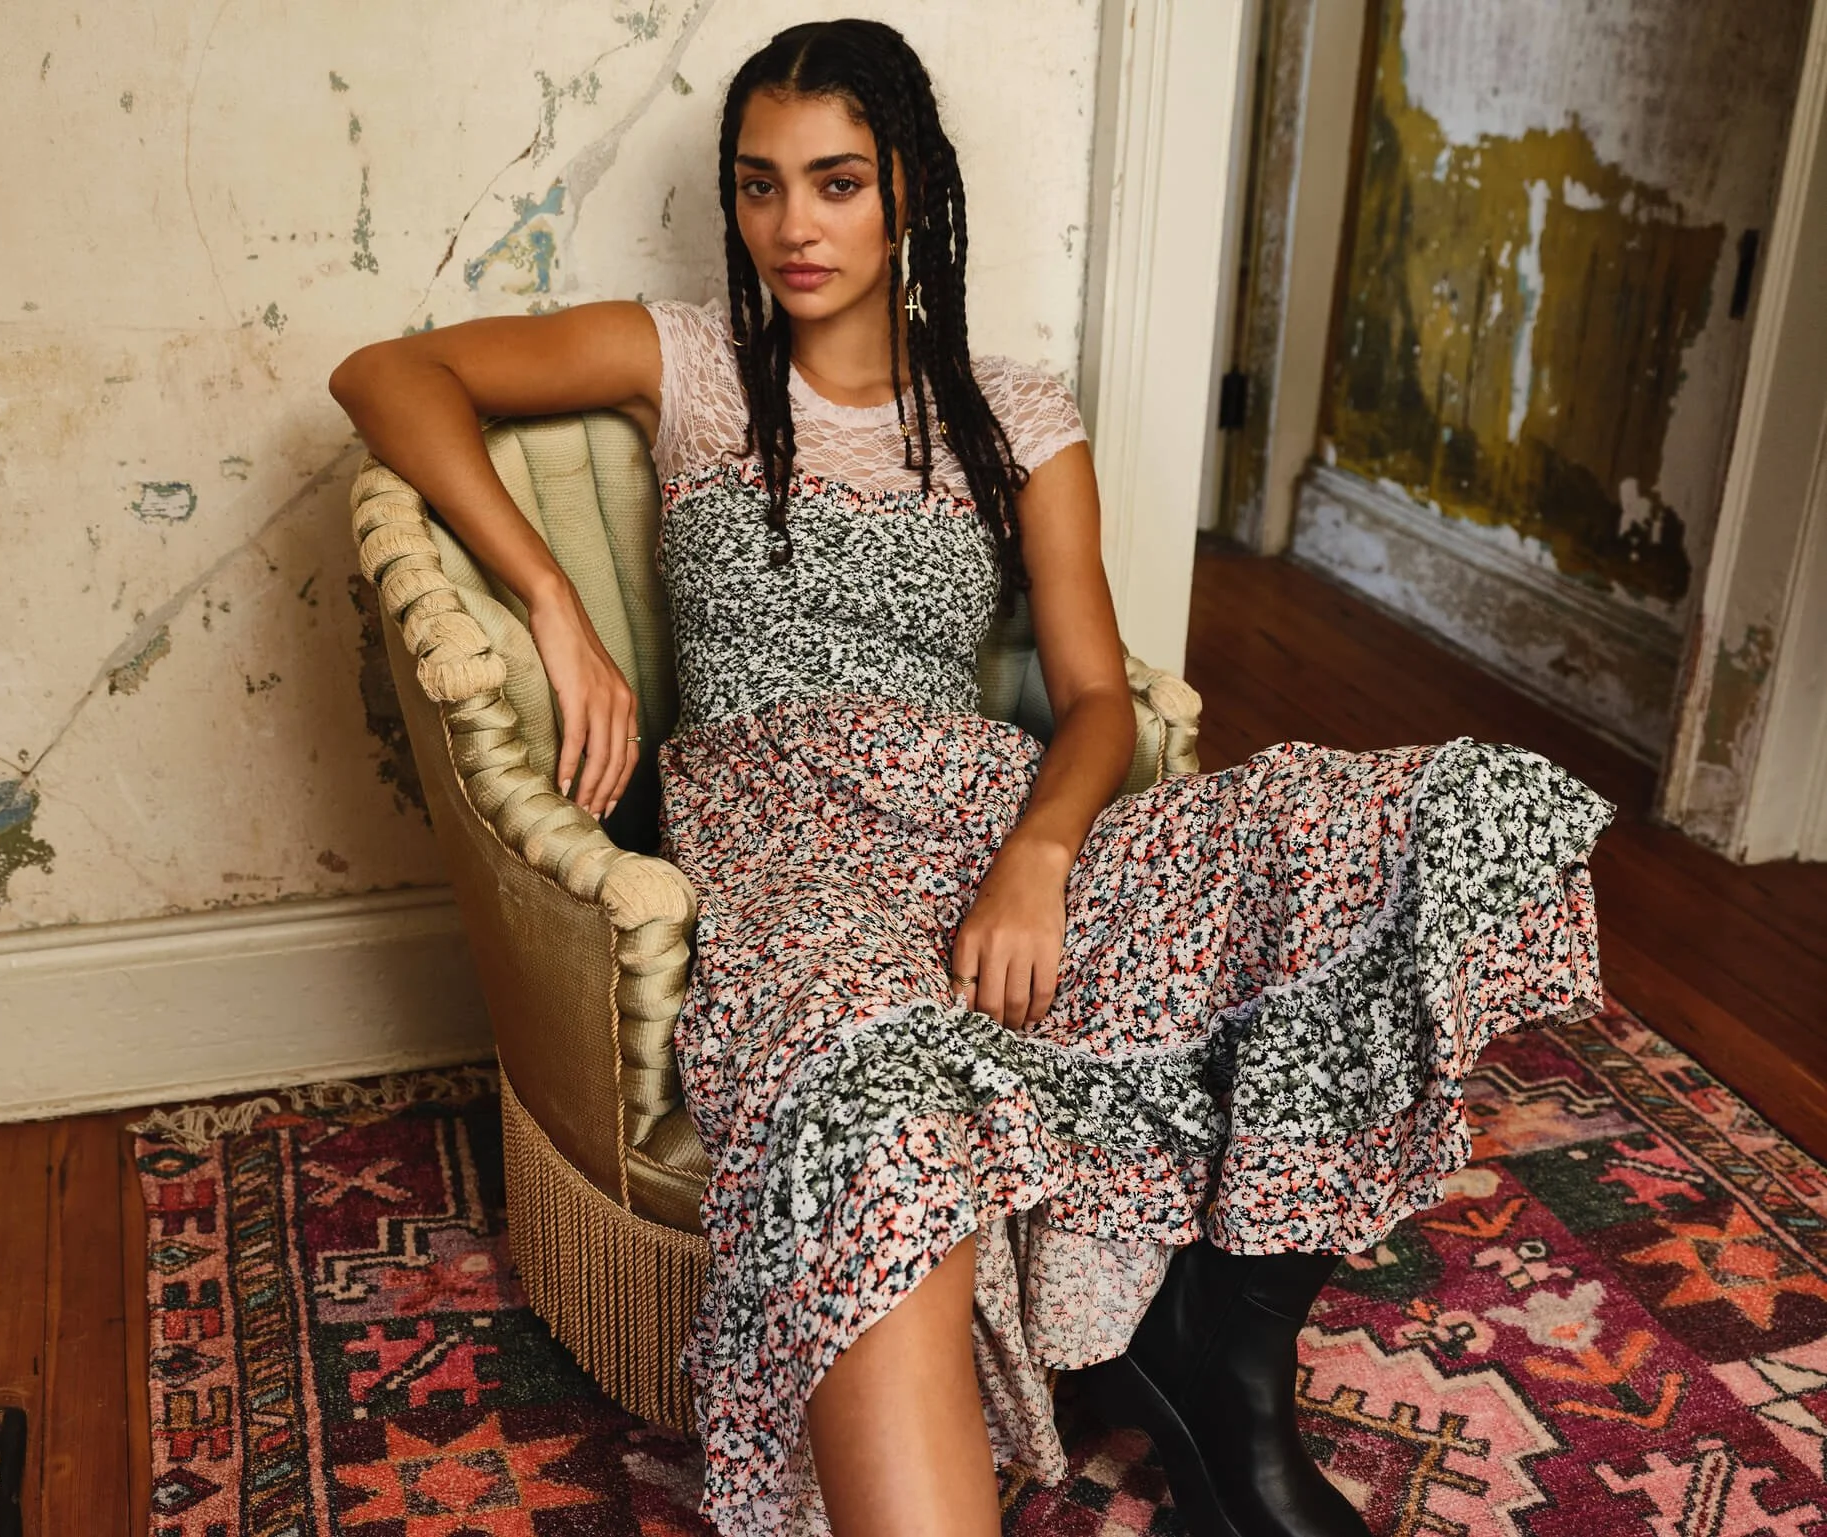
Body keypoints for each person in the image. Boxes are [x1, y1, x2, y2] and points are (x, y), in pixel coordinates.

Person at [329, 19, 1611, 1537]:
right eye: (758, 186)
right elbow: (385, 374)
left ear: (911, 196)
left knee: (1464, 819)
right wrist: (550, 597)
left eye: (836, 183)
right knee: (871, 1107)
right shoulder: (684, 365)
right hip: (782, 842)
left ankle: (1216, 1357)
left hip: (989, 813)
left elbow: (1089, 696)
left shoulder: (1019, 414)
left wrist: (1042, 857)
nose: (791, 227)